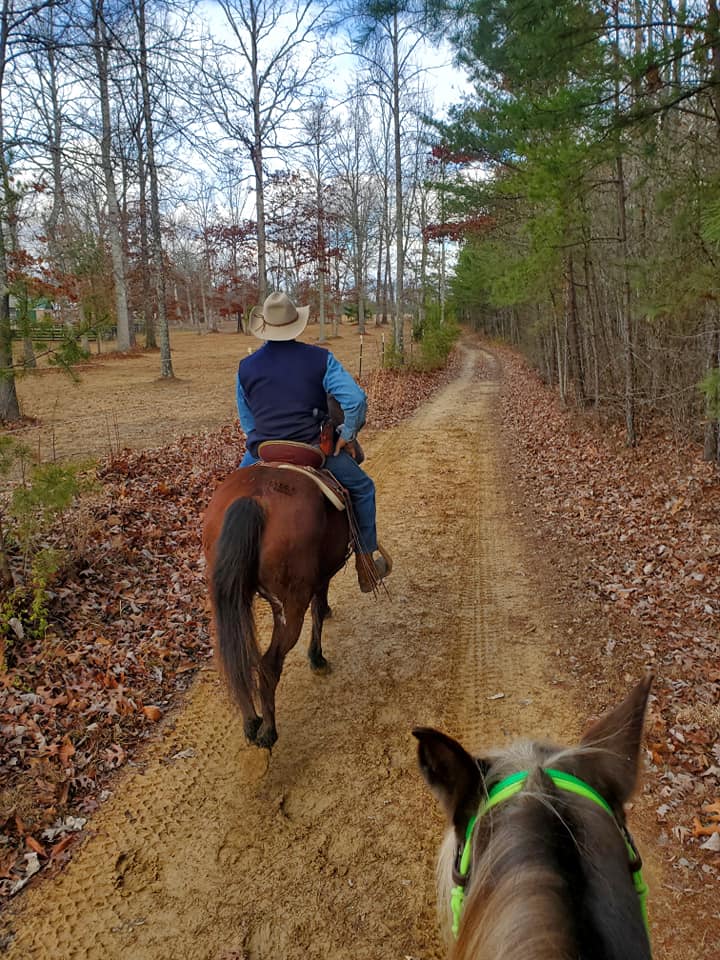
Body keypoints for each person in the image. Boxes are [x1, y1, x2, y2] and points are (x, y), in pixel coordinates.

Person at [235, 291, 390, 593]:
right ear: (296, 324)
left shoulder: (246, 366)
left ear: (264, 327)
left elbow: (247, 420)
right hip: (311, 450)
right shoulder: (320, 359)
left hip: (263, 451)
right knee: (363, 488)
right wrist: (347, 435)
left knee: (229, 494)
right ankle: (366, 565)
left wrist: (259, 442)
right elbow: (356, 400)